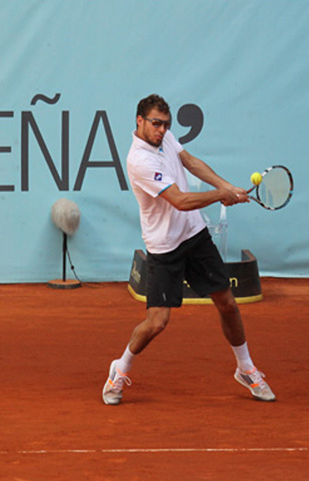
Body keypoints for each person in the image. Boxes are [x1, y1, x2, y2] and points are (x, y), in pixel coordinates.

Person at [102, 94, 275, 405]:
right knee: (157, 321)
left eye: (166, 125)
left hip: (194, 235)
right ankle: (120, 368)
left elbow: (191, 162)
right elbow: (180, 201)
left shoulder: (165, 138)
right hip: (164, 247)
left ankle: (246, 368)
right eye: (156, 124)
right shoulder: (139, 160)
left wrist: (227, 186)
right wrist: (221, 195)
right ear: (139, 121)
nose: (162, 130)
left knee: (227, 303)